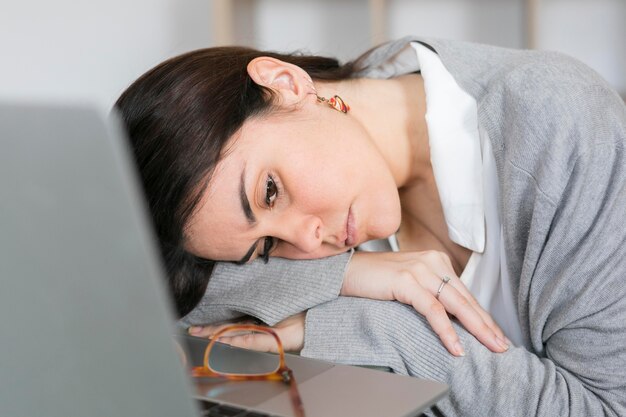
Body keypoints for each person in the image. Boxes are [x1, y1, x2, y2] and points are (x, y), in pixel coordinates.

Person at [115, 36, 626, 416]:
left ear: (287, 84)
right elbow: (163, 318)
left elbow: (603, 407)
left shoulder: (565, 132)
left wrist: (389, 327)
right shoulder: (329, 205)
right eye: (267, 246)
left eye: (269, 191)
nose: (309, 240)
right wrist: (352, 275)